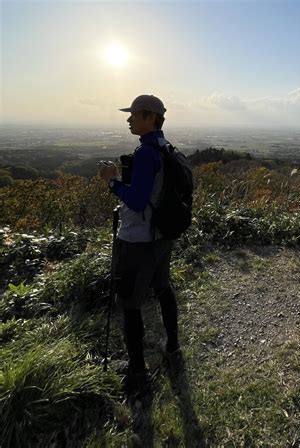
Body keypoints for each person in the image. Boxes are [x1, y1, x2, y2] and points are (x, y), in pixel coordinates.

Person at [99, 94, 180, 388]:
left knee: (129, 304)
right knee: (163, 288)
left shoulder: (147, 153)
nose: (129, 119)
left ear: (149, 117)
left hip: (138, 241)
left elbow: (135, 201)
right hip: (161, 237)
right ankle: (173, 348)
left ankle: (136, 371)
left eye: (134, 114)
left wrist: (112, 181)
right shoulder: (166, 148)